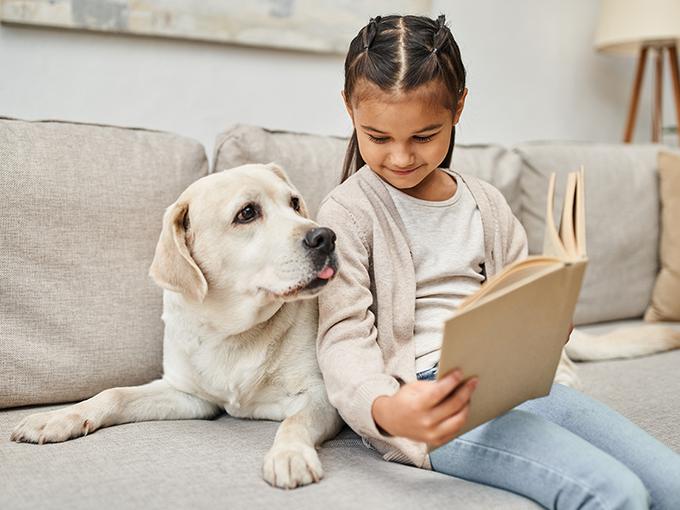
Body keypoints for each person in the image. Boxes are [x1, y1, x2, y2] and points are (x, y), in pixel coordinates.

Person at [316, 14, 680, 509]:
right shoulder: (348, 211)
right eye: (378, 137)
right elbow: (342, 338)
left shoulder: (486, 204)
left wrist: (550, 323)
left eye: (423, 136)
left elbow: (519, 300)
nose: (400, 157)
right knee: (615, 494)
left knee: (672, 480)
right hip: (432, 399)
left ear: (459, 107)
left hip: (512, 382)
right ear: (349, 110)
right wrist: (385, 409)